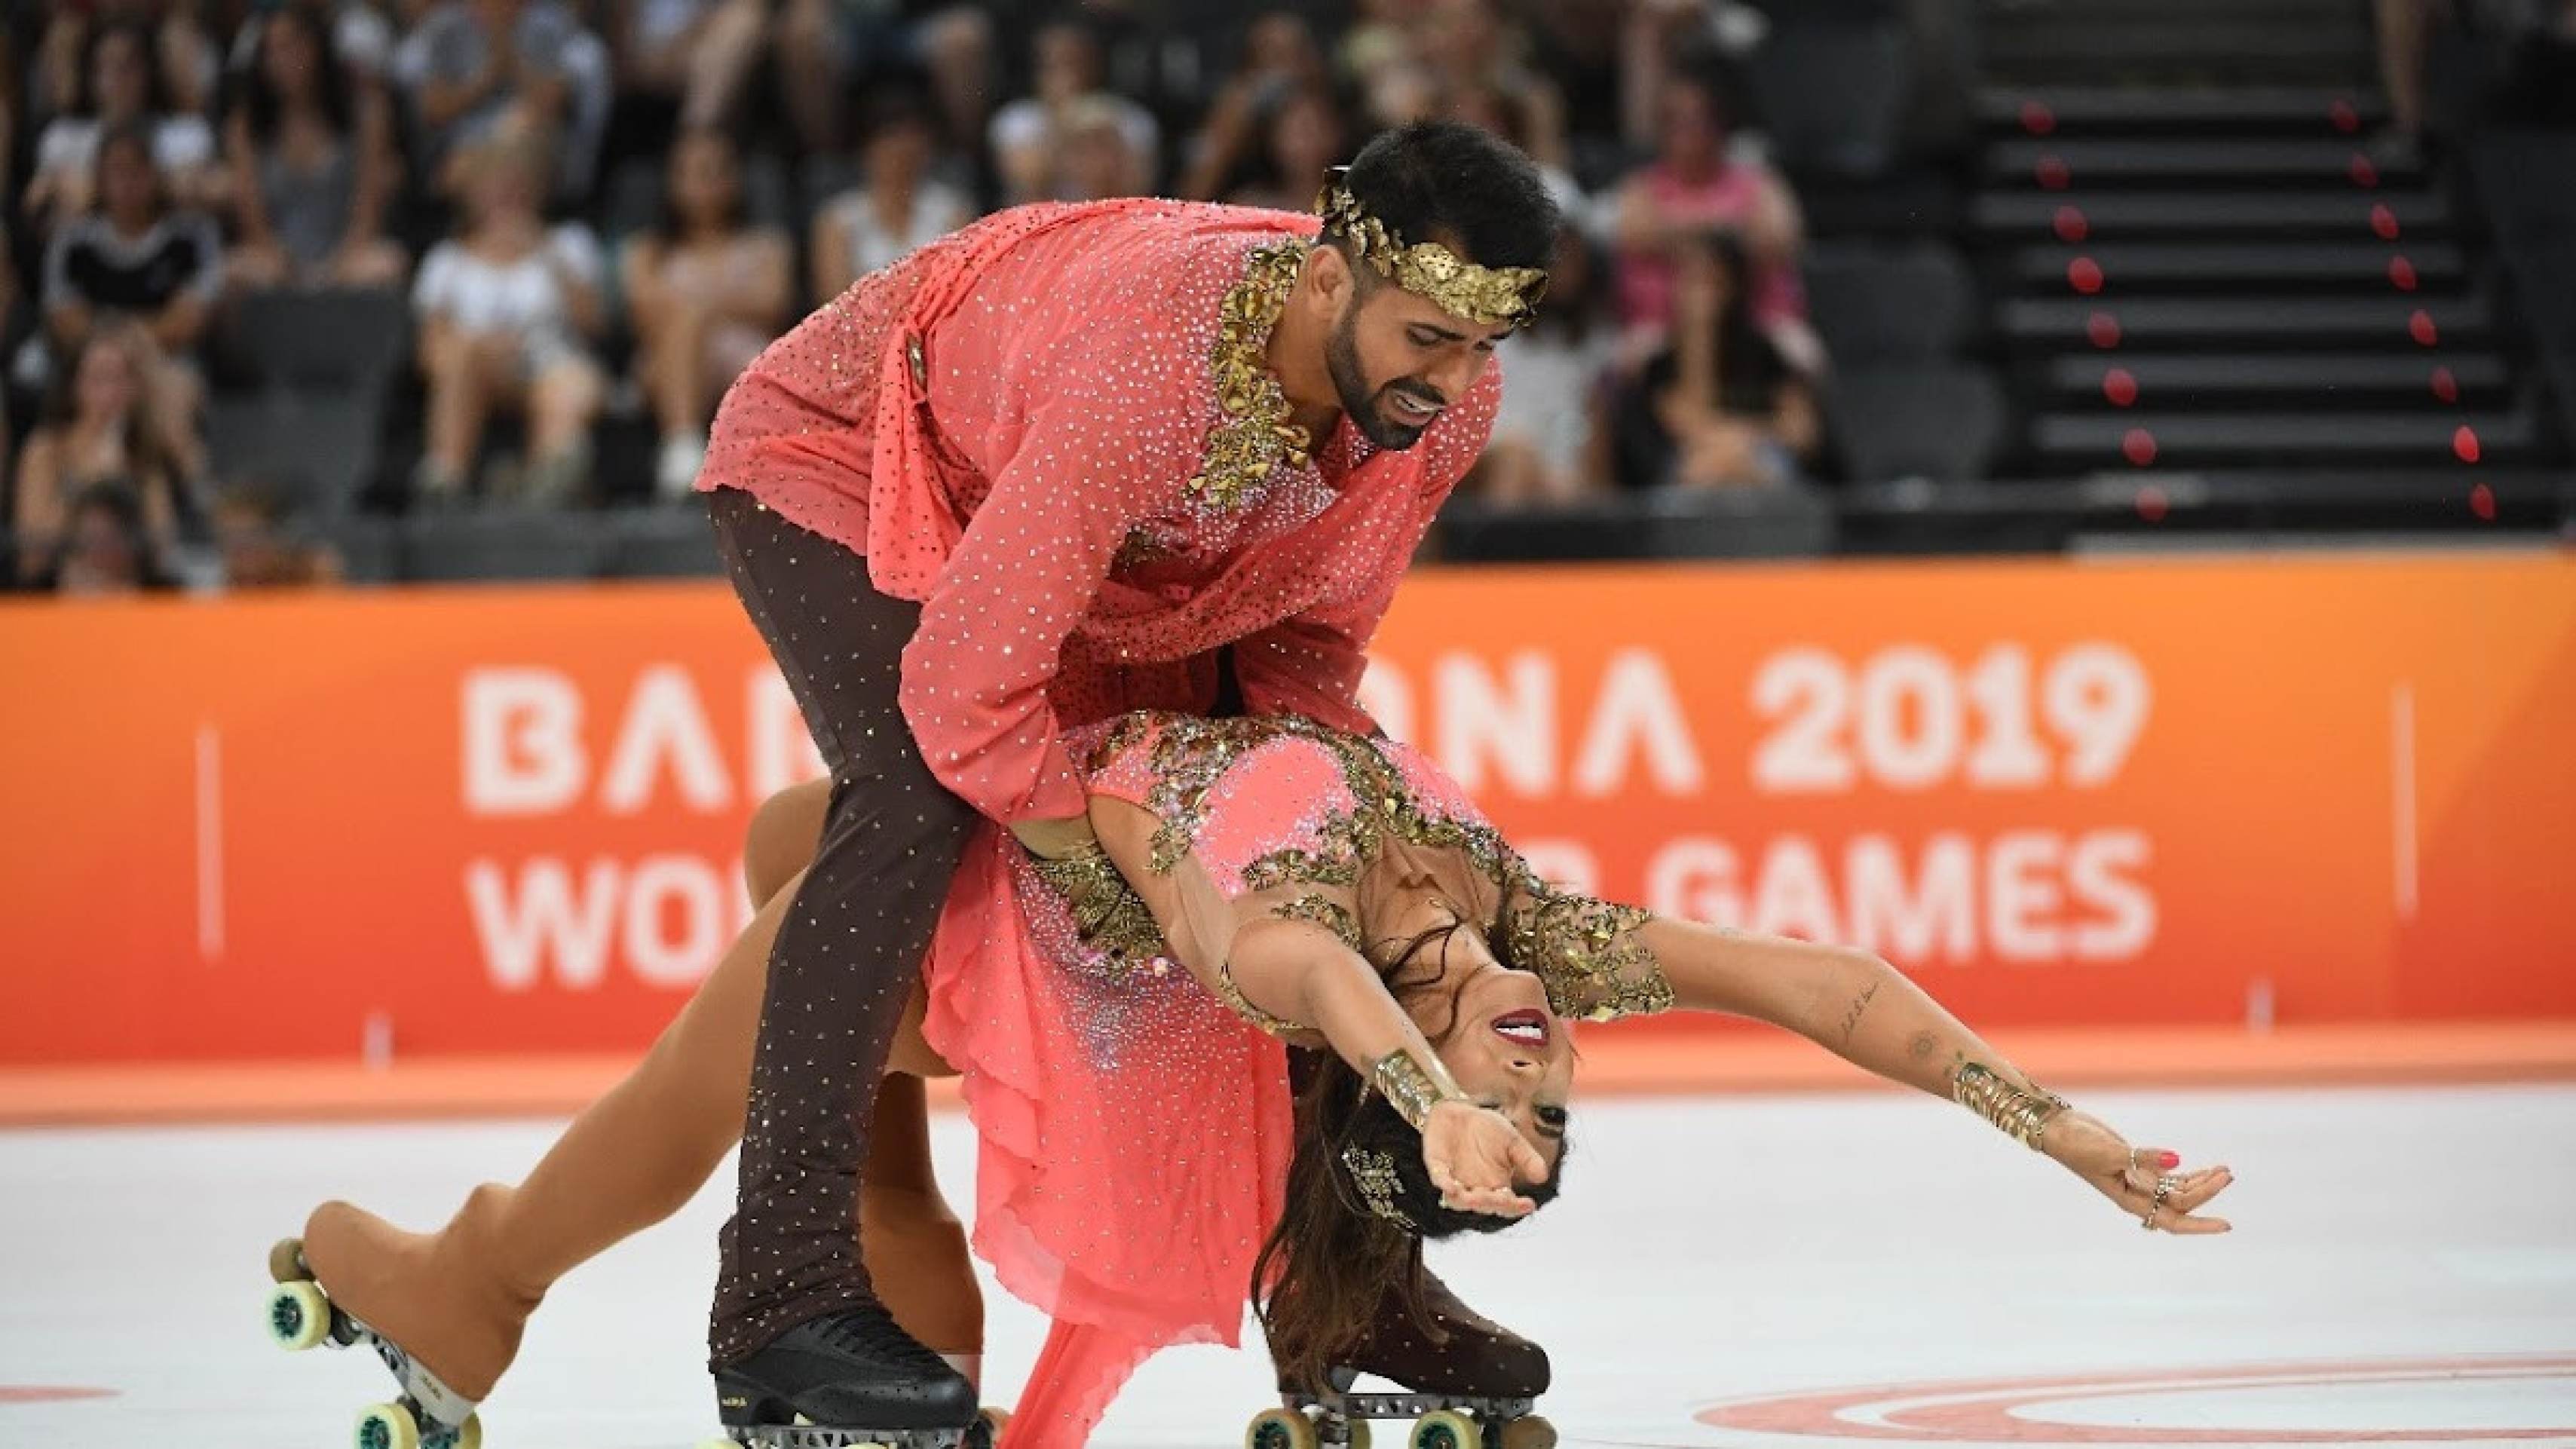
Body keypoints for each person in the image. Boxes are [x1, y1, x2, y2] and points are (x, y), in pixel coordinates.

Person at [278, 710, 2234, 1449]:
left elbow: (1280, 953)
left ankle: (477, 1288)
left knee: (782, 977)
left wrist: (1411, 1072)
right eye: (1549, 1121)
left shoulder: (1311, 967)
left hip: (1014, 949)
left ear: (1400, 1088)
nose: (1535, 1090)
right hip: (1007, 824)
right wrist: (2057, 1131)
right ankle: (907, 1317)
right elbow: (1822, 982)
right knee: (794, 832)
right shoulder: (1534, 932)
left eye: (1500, 1120)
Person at [686, 118, 1554, 1441]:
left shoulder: (1439, 404)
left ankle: (1344, 1276)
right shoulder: (1147, 372)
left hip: (1035, 490)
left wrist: (1311, 808)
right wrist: (1090, 861)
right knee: (916, 797)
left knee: (1324, 824)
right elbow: (967, 686)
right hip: (838, 456)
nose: (1450, 382)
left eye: (1480, 347)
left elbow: (1302, 643)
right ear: (1329, 281)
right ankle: (779, 1290)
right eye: (1425, 338)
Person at [409, 133, 607, 505]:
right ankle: (444, 477)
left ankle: (550, 480)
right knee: (460, 356)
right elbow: (428, 354)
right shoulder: (446, 262)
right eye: (496, 186)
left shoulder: (568, 244)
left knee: (573, 384)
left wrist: (545, 252)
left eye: (517, 186)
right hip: (477, 369)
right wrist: (486, 351)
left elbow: (593, 325)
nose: (507, 197)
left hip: (551, 361)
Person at [620, 128, 792, 500]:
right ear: (673, 182)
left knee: (702, 322)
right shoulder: (650, 249)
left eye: (717, 172)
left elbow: (775, 303)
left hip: (745, 359)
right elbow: (641, 312)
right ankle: (681, 442)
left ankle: (720, 459)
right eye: (696, 173)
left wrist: (703, 308)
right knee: (687, 322)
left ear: (735, 180)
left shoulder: (765, 245)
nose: (707, 185)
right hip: (668, 362)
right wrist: (712, 310)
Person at [222, 0, 408, 293]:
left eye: (294, 46)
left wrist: (340, 264)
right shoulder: (244, 127)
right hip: (278, 261)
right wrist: (286, 267)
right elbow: (253, 222)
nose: (284, 60)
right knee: (235, 269)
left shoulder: (366, 112)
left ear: (318, 48)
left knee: (388, 263)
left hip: (349, 255)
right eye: (273, 51)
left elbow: (368, 207)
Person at [1613, 229, 1819, 491]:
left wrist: (1739, 440)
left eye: (1711, 280)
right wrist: (1699, 339)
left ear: (1733, 284)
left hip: (1759, 459)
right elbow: (1691, 425)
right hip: (1695, 464)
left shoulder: (1765, 354)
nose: (1701, 295)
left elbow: (1802, 432)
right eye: (1690, 280)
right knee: (1697, 470)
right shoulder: (1662, 365)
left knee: (1754, 466)